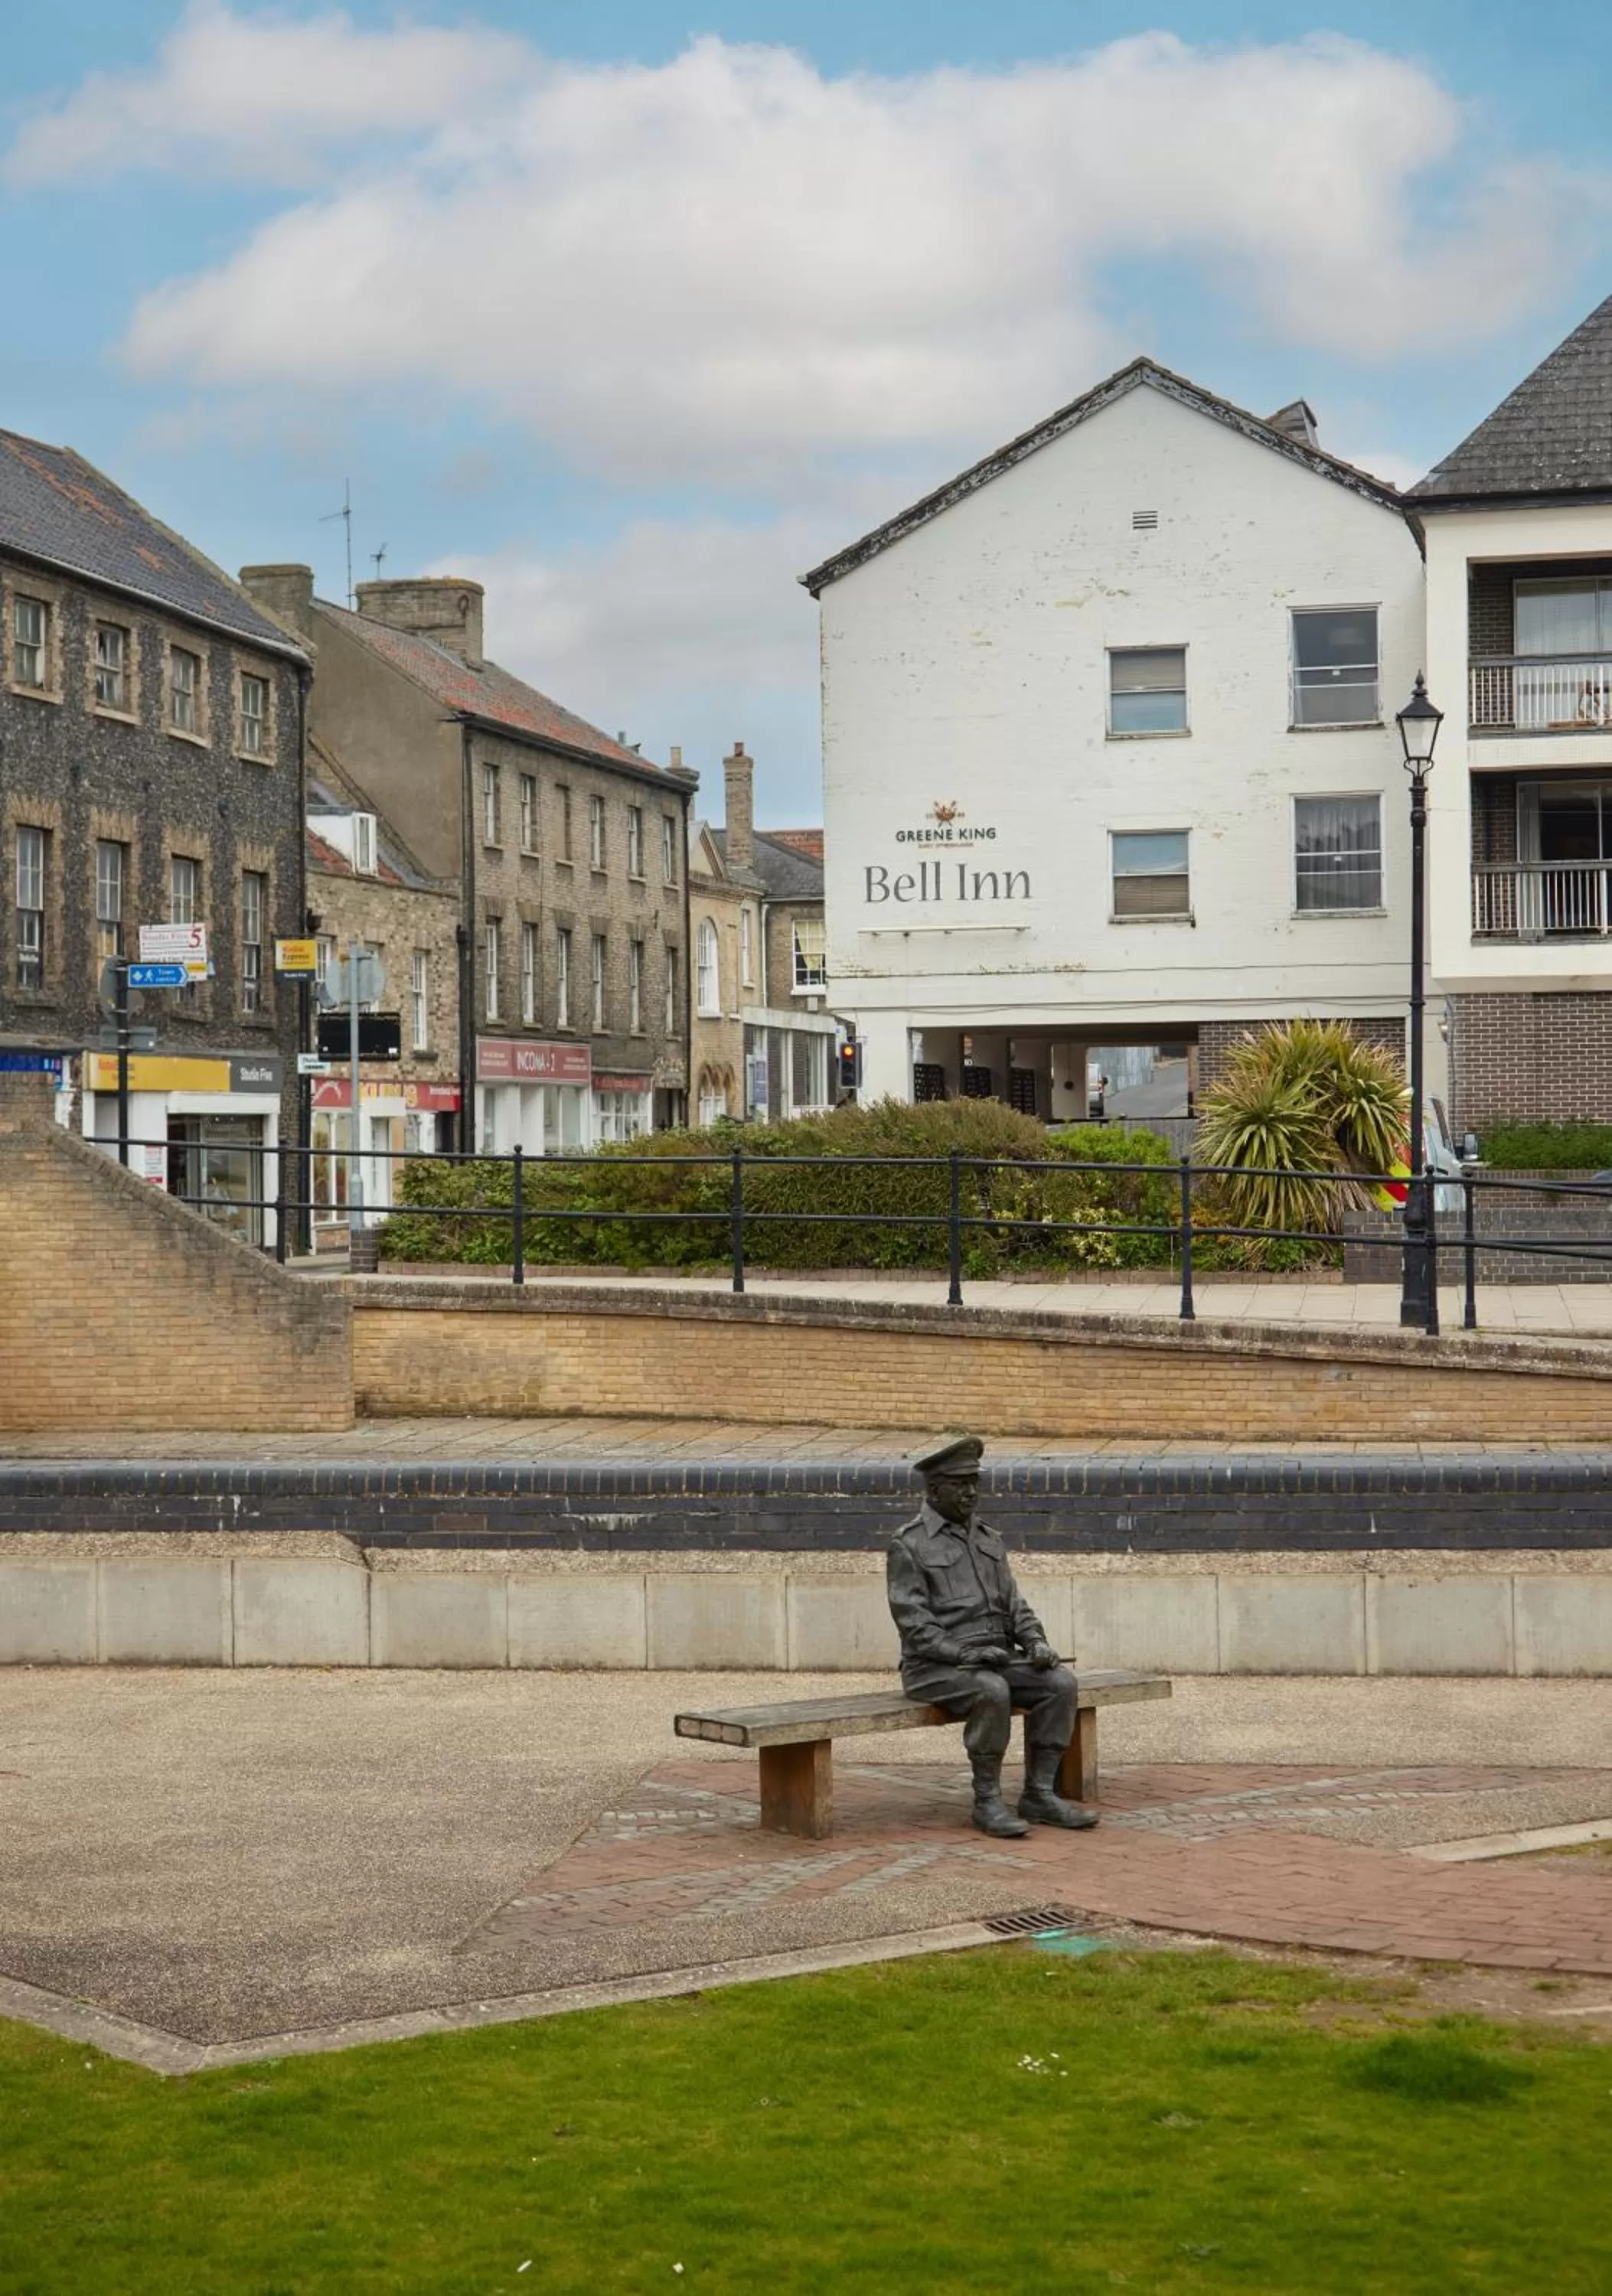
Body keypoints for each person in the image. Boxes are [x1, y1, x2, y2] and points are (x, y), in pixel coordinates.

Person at [886, 1434, 1097, 1838]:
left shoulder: (989, 1539)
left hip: (998, 1658)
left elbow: (1016, 1605)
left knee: (1060, 1684)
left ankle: (1039, 1794)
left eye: (974, 1483)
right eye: (960, 1485)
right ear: (934, 1490)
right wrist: (963, 1653)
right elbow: (913, 1623)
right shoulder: (908, 1544)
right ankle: (987, 1801)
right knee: (991, 1690)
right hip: (934, 1668)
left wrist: (1035, 1642)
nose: (971, 1492)